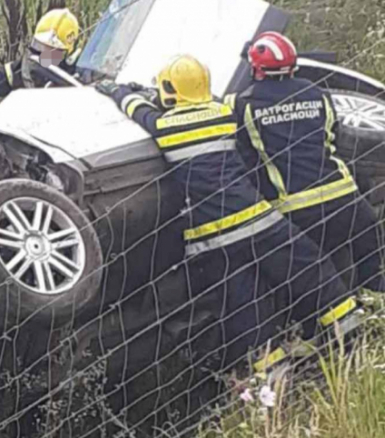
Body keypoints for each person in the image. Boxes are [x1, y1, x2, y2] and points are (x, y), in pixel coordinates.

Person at [95, 55, 359, 373]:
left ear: (168, 91)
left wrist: (115, 89)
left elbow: (136, 110)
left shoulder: (163, 128)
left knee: (243, 304)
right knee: (310, 269)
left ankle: (271, 374)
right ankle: (350, 331)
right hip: (257, 222)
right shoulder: (223, 114)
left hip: (213, 241)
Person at [227, 31, 385, 294]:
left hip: (295, 208)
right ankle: (374, 298)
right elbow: (333, 132)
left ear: (256, 69)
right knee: (370, 252)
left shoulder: (241, 103)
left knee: (314, 277)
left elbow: (242, 152)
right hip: (345, 197)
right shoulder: (318, 94)